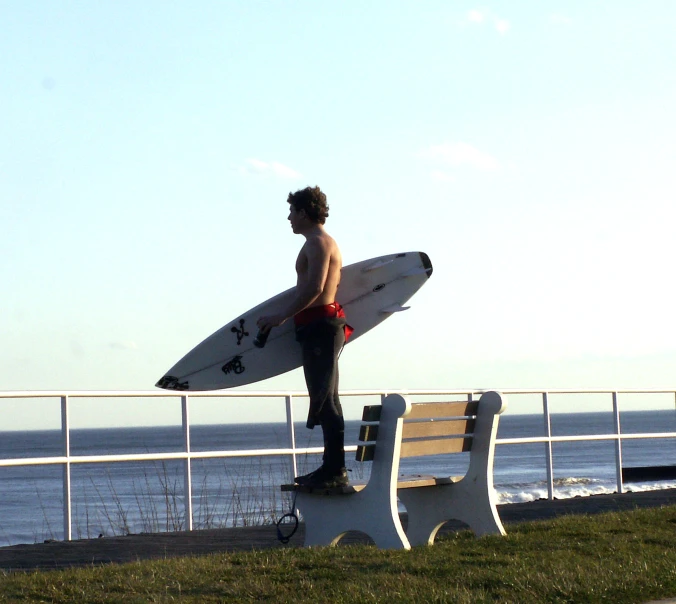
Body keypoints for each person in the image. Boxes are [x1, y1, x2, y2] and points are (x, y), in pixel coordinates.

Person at [257, 186, 352, 489]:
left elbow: (314, 289)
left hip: (321, 325)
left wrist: (279, 317)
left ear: (303, 212)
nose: (288, 218)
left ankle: (334, 470)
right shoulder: (318, 242)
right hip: (318, 325)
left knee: (326, 399)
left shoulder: (319, 243)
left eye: (292, 212)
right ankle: (332, 467)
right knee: (324, 397)